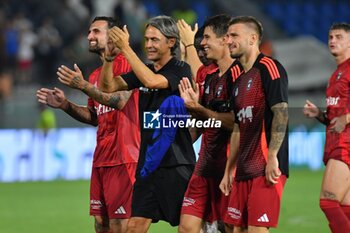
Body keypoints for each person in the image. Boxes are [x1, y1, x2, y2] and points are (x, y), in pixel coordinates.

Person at [57, 15, 197, 233]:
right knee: (133, 227)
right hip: (147, 165)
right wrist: (110, 60)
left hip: (176, 162)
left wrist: (126, 48)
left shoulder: (179, 69)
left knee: (189, 228)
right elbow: (109, 87)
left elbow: (152, 81)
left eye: (154, 40)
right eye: (146, 39)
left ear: (171, 43)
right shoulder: (144, 71)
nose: (148, 44)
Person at [36, 16, 140, 233]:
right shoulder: (95, 74)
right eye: (89, 32)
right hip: (101, 158)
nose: (89, 36)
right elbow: (95, 116)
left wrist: (83, 87)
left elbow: (120, 101)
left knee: (120, 226)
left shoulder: (129, 64)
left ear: (113, 36)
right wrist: (66, 105)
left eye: (95, 32)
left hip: (124, 158)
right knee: (101, 224)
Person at [220, 16, 289, 233]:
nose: (228, 40)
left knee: (256, 229)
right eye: (227, 35)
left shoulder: (269, 68)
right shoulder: (238, 79)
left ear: (252, 39)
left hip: (266, 166)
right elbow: (239, 127)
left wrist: (272, 157)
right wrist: (228, 169)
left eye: (234, 35)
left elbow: (281, 113)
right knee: (234, 228)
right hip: (243, 168)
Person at [178, 14, 243, 233]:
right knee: (187, 227)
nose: (202, 44)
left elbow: (236, 122)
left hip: (230, 166)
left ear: (225, 39)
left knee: (229, 228)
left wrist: (201, 110)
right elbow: (201, 120)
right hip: (205, 165)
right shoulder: (210, 76)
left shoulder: (240, 75)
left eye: (206, 38)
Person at [303, 23, 350, 233]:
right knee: (344, 207)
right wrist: (320, 115)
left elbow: (344, 118)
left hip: (345, 145)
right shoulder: (336, 73)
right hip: (337, 142)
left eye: (339, 37)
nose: (332, 41)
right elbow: (335, 118)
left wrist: (347, 117)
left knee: (328, 202)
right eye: (330, 37)